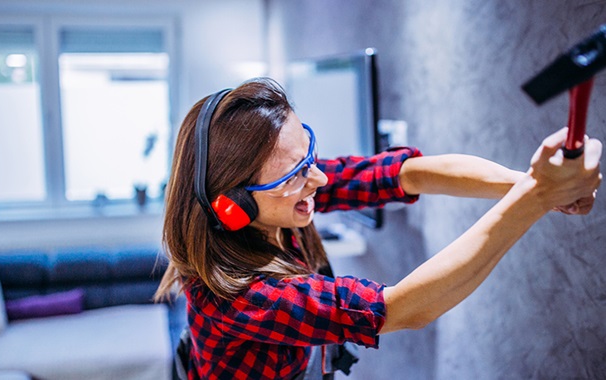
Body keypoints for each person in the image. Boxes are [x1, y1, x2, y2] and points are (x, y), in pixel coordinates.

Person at [155, 77, 602, 379]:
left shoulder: (284, 193)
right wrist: (538, 198)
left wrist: (530, 183)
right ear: (231, 207)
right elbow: (402, 308)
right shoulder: (236, 300)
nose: (320, 179)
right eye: (294, 175)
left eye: (307, 155)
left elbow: (411, 173)